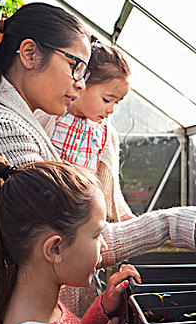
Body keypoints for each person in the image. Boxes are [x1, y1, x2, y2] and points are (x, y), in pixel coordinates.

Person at [0, 2, 196, 324]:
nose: (79, 84)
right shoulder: (2, 130)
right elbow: (71, 238)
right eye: (75, 66)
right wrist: (173, 224)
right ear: (29, 53)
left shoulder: (11, 120)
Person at [0, 160, 138, 324]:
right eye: (96, 235)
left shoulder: (33, 310)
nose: (104, 245)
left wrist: (104, 310)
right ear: (54, 249)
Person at [36, 38, 134, 223]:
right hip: (45, 206)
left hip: (81, 215)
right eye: (107, 99)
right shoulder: (50, 115)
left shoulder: (105, 132)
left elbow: (109, 183)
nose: (111, 109)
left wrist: (122, 214)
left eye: (116, 103)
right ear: (82, 83)